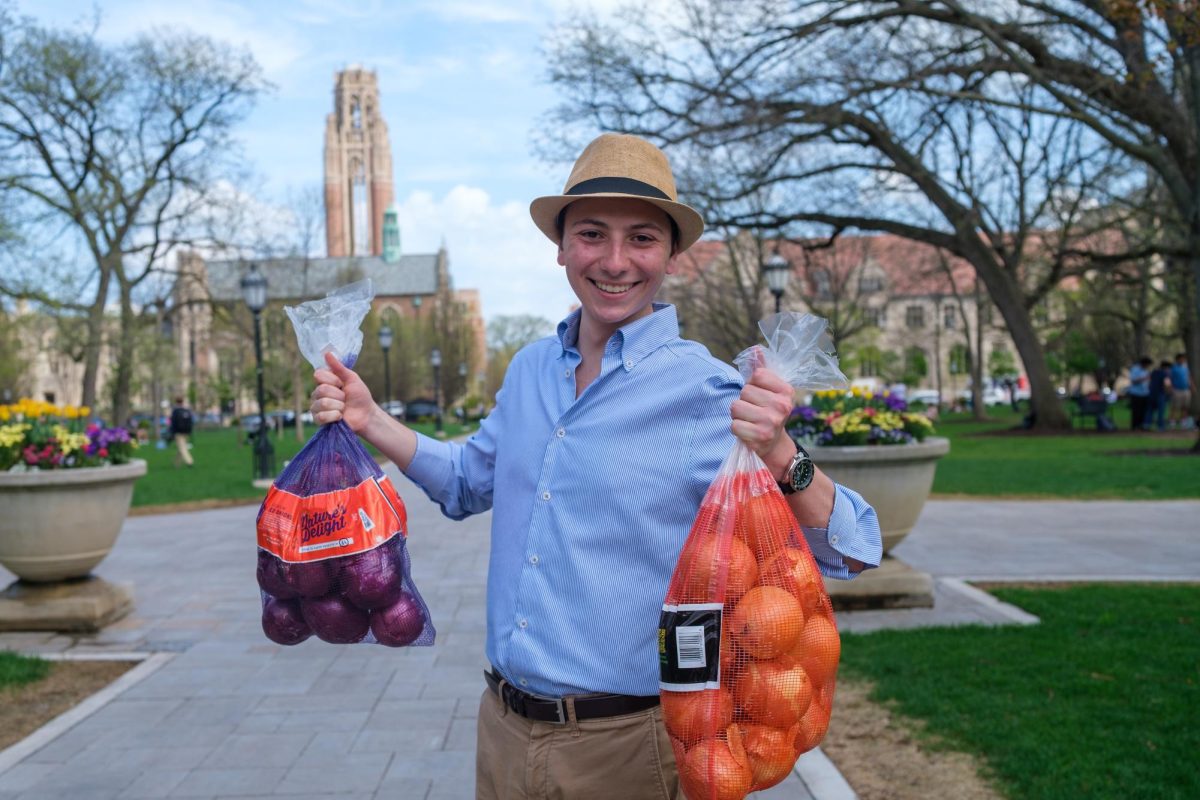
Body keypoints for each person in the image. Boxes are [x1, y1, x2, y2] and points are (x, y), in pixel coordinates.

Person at [309, 133, 881, 800]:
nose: (615, 261)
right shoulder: (528, 371)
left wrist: (782, 452)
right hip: (503, 731)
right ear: (560, 248)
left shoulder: (705, 392)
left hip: (631, 748)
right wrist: (370, 418)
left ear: (672, 256)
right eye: (591, 235)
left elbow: (854, 547)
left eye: (641, 238)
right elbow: (467, 483)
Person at [1168, 352, 1195, 429]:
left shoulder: (1185, 367)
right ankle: (1172, 423)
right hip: (1177, 390)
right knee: (1175, 407)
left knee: (1185, 407)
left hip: (1186, 390)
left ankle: (1184, 423)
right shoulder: (1173, 368)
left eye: (1184, 358)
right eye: (1182, 358)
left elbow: (1188, 377)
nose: (1183, 360)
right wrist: (1170, 388)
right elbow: (1169, 379)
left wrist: (1192, 386)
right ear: (1178, 359)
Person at [168, 396, 194, 467]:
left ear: (176, 402)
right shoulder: (186, 410)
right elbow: (191, 422)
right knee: (181, 447)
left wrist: (172, 432)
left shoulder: (175, 411)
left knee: (182, 448)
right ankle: (176, 464)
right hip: (186, 432)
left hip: (178, 432)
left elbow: (173, 423)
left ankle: (189, 461)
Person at [1127, 356, 1151, 431]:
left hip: (1145, 393)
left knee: (1143, 410)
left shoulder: (1146, 371)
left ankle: (1141, 425)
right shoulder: (1135, 369)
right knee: (1136, 410)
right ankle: (1134, 426)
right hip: (1136, 393)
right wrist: (1143, 379)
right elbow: (1133, 380)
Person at [1147, 360, 1170, 431]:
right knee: (1161, 410)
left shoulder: (1154, 372)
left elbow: (1149, 381)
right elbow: (1167, 384)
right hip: (1160, 394)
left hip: (1151, 393)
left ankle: (1146, 424)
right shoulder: (1165, 373)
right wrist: (1167, 392)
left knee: (1150, 410)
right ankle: (1160, 426)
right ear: (1166, 367)